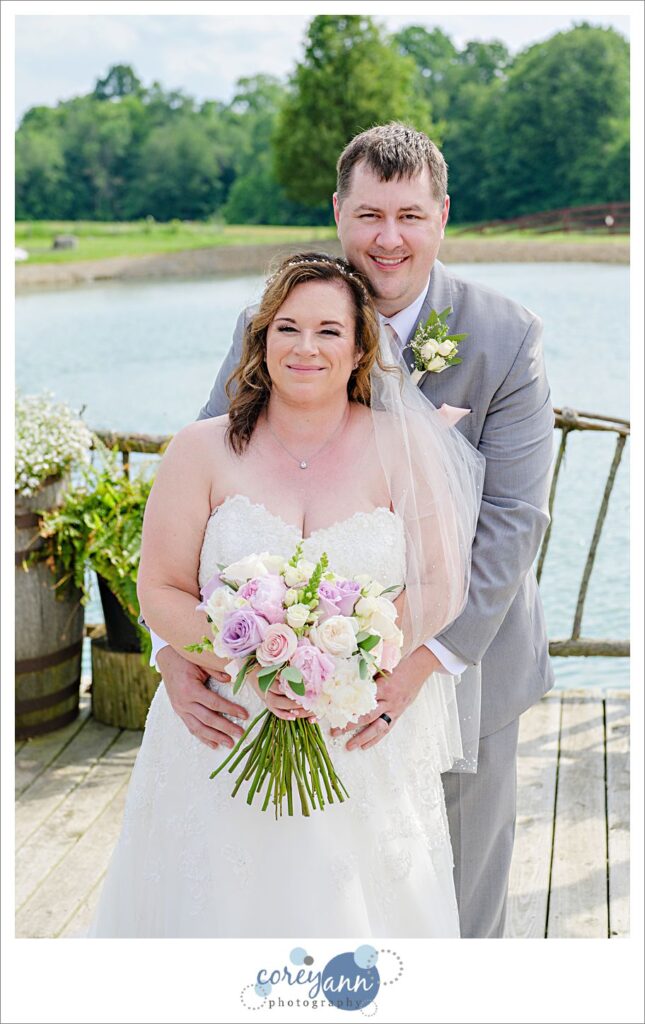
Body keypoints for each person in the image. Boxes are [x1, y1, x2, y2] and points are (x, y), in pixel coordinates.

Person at [153, 123, 555, 939]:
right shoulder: (270, 324)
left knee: (456, 906)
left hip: (462, 657)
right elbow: (202, 493)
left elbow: (513, 521)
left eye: (410, 214)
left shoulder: (507, 337)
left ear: (442, 214)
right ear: (337, 211)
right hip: (287, 678)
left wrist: (412, 666)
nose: (388, 237)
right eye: (369, 213)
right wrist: (181, 648)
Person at [88, 252, 483, 937]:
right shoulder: (199, 450)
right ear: (261, 340)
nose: (306, 347)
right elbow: (161, 588)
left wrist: (346, 665)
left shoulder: (403, 448)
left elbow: (440, 585)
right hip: (222, 728)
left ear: (359, 347)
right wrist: (254, 663)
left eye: (329, 330)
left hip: (356, 729)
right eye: (287, 328)